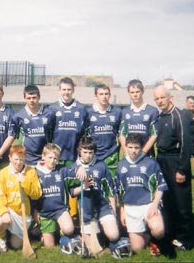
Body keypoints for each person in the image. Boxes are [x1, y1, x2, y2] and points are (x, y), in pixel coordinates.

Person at [153, 85, 193, 252]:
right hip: (161, 160)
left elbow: (187, 144)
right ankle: (170, 234)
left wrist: (182, 169)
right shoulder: (159, 117)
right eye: (157, 99)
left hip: (176, 160)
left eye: (162, 97)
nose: (160, 101)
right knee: (166, 201)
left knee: (181, 202)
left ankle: (184, 238)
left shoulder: (180, 115)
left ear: (170, 98)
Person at [66, 136, 120, 257]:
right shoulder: (73, 168)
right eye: (85, 152)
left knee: (114, 234)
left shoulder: (101, 166)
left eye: (91, 152)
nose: (88, 155)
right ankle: (81, 237)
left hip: (102, 207)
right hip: (86, 211)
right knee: (92, 250)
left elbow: (110, 191)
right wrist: (83, 187)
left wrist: (114, 214)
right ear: (79, 151)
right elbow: (71, 192)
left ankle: (104, 235)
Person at [116, 133, 167, 256]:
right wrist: (122, 210)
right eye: (131, 147)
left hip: (148, 205)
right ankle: (148, 238)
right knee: (137, 248)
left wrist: (154, 205)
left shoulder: (150, 163)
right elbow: (120, 191)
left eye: (136, 147)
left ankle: (156, 239)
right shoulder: (121, 165)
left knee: (159, 230)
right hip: (130, 207)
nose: (133, 151)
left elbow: (160, 186)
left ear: (141, 147)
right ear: (126, 146)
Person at [47, 77, 87, 218]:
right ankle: (58, 214)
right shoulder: (52, 109)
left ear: (73, 90)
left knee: (73, 185)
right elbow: (48, 134)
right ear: (59, 90)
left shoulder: (81, 109)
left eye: (69, 89)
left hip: (73, 156)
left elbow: (84, 136)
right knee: (57, 186)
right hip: (56, 157)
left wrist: (81, 157)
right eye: (64, 89)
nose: (66, 92)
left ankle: (74, 215)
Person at [0, 145, 42, 252]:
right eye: (16, 159)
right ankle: (2, 238)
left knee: (16, 245)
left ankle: (18, 232)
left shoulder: (31, 172)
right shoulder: (3, 173)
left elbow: (37, 194)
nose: (19, 162)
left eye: (21, 159)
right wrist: (3, 211)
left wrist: (25, 181)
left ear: (25, 158)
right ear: (10, 158)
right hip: (9, 211)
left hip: (23, 214)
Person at [33, 143, 76, 248]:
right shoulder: (35, 172)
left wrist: (80, 169)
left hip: (60, 210)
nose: (52, 161)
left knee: (69, 229)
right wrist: (35, 211)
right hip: (44, 213)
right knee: (49, 246)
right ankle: (43, 232)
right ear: (43, 156)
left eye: (55, 158)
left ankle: (60, 231)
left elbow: (76, 170)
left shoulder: (62, 170)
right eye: (50, 157)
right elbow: (32, 195)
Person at [86, 83, 122, 179]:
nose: (104, 97)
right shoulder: (88, 113)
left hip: (111, 155)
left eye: (106, 94)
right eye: (101, 94)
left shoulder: (117, 112)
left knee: (113, 185)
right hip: (94, 155)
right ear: (96, 96)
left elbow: (121, 133)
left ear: (109, 95)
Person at [12, 85, 54, 166]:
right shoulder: (18, 116)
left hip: (45, 159)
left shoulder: (49, 114)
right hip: (27, 159)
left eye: (34, 97)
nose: (31, 100)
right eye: (29, 98)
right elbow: (13, 137)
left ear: (39, 97)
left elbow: (53, 135)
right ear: (24, 98)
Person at [119, 79, 158, 157]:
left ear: (142, 92)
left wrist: (143, 152)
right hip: (130, 155)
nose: (135, 94)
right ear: (129, 93)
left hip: (146, 155)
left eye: (137, 91)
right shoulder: (125, 111)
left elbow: (154, 135)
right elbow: (121, 134)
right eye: (132, 92)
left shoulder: (152, 111)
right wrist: (126, 152)